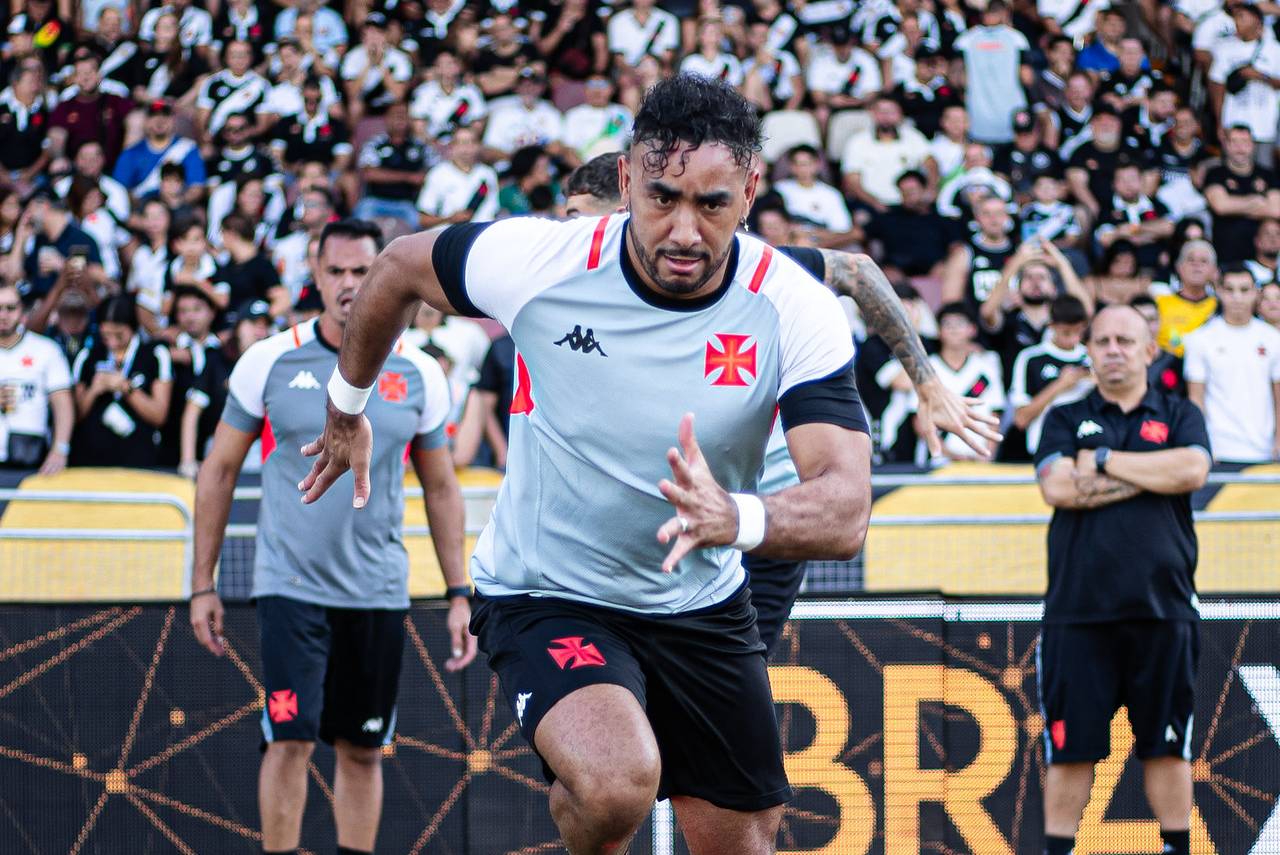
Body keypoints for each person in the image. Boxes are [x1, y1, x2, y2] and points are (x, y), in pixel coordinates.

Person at [298, 76, 994, 855]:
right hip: (549, 589)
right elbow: (397, 267)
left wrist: (735, 517)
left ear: (750, 192)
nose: (685, 231)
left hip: (702, 599)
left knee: (743, 840)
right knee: (615, 783)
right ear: (626, 178)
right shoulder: (543, 260)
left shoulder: (790, 303)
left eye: (713, 204)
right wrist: (346, 406)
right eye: (662, 198)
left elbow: (845, 506)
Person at [188, 219, 475, 855]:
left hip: (376, 590)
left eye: (361, 271)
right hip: (289, 586)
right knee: (289, 739)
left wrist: (460, 592)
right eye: (336, 271)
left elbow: (441, 487)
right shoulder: (268, 359)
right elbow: (219, 471)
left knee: (363, 749)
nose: (349, 284)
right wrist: (201, 583)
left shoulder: (421, 372)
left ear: (384, 274)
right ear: (314, 275)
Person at [1034, 303, 1211, 855]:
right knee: (1070, 752)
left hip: (1164, 609)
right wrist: (1152, 472)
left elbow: (1192, 470)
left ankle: (1176, 848)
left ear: (1149, 351)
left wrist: (1106, 459)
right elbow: (1058, 488)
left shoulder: (1180, 413)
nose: (1114, 350)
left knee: (1168, 748)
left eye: (1125, 340)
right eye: (1103, 340)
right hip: (1078, 613)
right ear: (1088, 350)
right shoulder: (1064, 418)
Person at [1183, 266, 1280, 463]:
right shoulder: (1199, 339)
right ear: (1218, 291)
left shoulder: (1273, 339)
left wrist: (1278, 441)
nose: (1237, 297)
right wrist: (1203, 445)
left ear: (1256, 293)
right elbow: (1196, 400)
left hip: (1265, 451)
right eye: (1229, 289)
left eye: (1244, 290)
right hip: (1218, 451)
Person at [69, 296, 172, 469]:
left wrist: (126, 388)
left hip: (138, 459)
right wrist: (94, 390)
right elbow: (74, 415)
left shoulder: (155, 354)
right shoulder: (87, 356)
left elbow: (159, 415)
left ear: (132, 327)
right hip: (90, 459)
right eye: (105, 336)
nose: (112, 342)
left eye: (119, 335)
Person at [0, 280, 73, 474]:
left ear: (22, 310)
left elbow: (62, 403)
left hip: (31, 453)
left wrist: (60, 449)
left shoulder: (45, 349)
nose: (3, 315)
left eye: (10, 308)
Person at [1008, 295, 1092, 457]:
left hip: (1086, 449)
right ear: (1052, 325)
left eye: (1079, 331)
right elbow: (1021, 418)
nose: (1074, 339)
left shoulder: (1091, 356)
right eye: (1066, 332)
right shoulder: (1031, 358)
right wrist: (1060, 385)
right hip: (1044, 449)